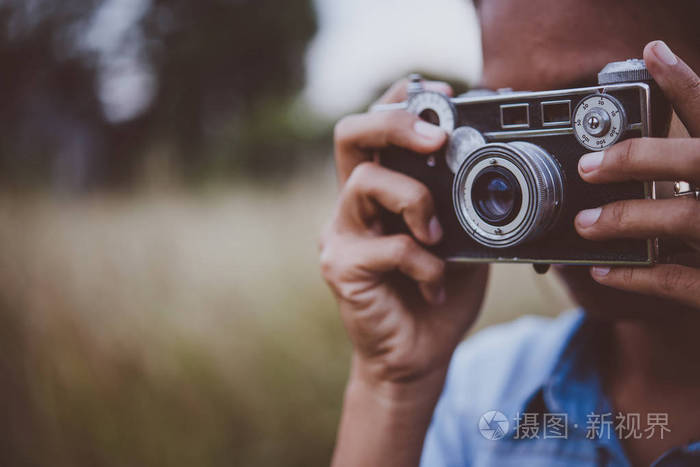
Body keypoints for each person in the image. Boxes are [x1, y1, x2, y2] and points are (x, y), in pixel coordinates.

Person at [319, 1, 700, 465]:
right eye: (500, 115)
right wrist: (391, 387)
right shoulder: (479, 395)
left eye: (597, 111)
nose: (520, 167)